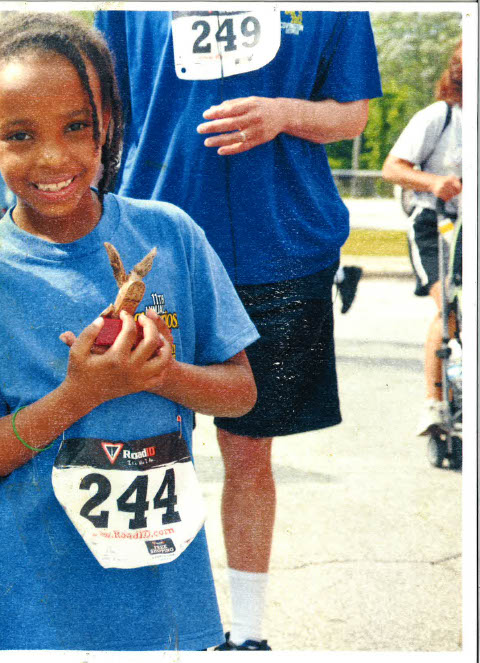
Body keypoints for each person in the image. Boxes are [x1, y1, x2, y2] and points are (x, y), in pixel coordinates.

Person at [0, 13, 259, 650]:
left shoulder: (171, 236)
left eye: (77, 126)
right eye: (20, 135)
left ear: (109, 121)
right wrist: (79, 395)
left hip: (165, 604)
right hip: (31, 613)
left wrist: (167, 375)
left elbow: (241, 392)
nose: (53, 157)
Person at [95, 9, 382, 649]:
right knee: (143, 446)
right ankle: (151, 630)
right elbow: (106, 112)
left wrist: (283, 113)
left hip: (278, 248)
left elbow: (353, 112)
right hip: (152, 253)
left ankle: (247, 636)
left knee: (249, 450)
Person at [381, 40, 462, 436]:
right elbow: (392, 168)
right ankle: (434, 404)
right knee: (449, 306)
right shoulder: (441, 116)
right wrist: (434, 182)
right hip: (436, 223)